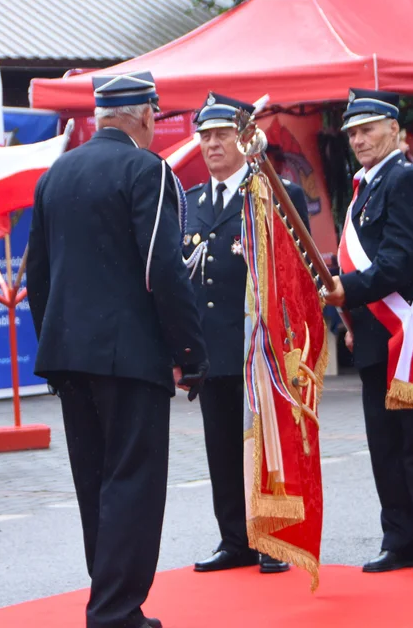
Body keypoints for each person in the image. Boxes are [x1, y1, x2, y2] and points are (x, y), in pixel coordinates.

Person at [26, 71, 208, 628]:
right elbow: (162, 268)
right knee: (132, 481)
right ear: (148, 114)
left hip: (69, 356)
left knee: (95, 483)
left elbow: (39, 274)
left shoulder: (56, 173)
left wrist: (53, 346)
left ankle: (108, 598)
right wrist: (188, 349)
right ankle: (116, 610)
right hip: (128, 357)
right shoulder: (145, 170)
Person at [323, 89, 413, 579]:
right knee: (386, 445)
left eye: (367, 129)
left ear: (393, 130)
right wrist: (332, 285)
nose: (359, 139)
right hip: (376, 336)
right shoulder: (363, 187)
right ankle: (400, 538)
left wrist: (348, 289)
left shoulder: (404, 179)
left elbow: (400, 259)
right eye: (352, 133)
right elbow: (356, 257)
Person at [183, 92, 309, 576]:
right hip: (214, 347)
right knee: (221, 446)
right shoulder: (191, 202)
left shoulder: (272, 192)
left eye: (221, 135)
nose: (211, 145)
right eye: (205, 137)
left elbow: (294, 272)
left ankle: (272, 539)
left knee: (266, 446)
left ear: (243, 138)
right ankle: (233, 537)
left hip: (263, 346)